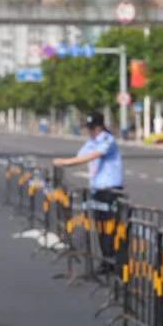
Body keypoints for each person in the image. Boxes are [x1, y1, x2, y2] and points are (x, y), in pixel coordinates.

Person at [52, 112, 124, 272]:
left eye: (92, 128)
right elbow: (80, 156)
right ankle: (106, 261)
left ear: (99, 127)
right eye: (89, 128)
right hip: (98, 190)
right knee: (100, 227)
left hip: (111, 190)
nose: (90, 131)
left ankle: (116, 261)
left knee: (111, 227)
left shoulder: (107, 139)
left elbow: (92, 156)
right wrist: (66, 162)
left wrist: (65, 162)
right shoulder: (91, 142)